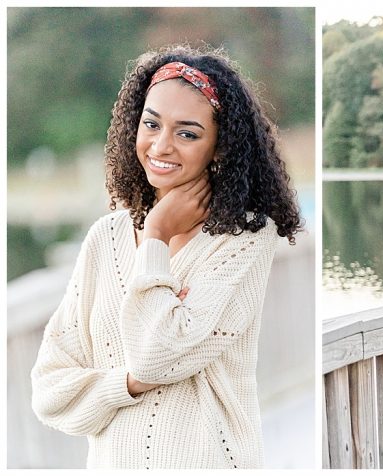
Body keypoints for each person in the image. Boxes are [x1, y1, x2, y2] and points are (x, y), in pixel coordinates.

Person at [30, 45, 302, 469]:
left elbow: (156, 355)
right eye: (151, 124)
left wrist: (156, 235)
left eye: (187, 133)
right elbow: (50, 393)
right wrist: (128, 383)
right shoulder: (106, 238)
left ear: (220, 147)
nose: (161, 145)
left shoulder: (243, 239)